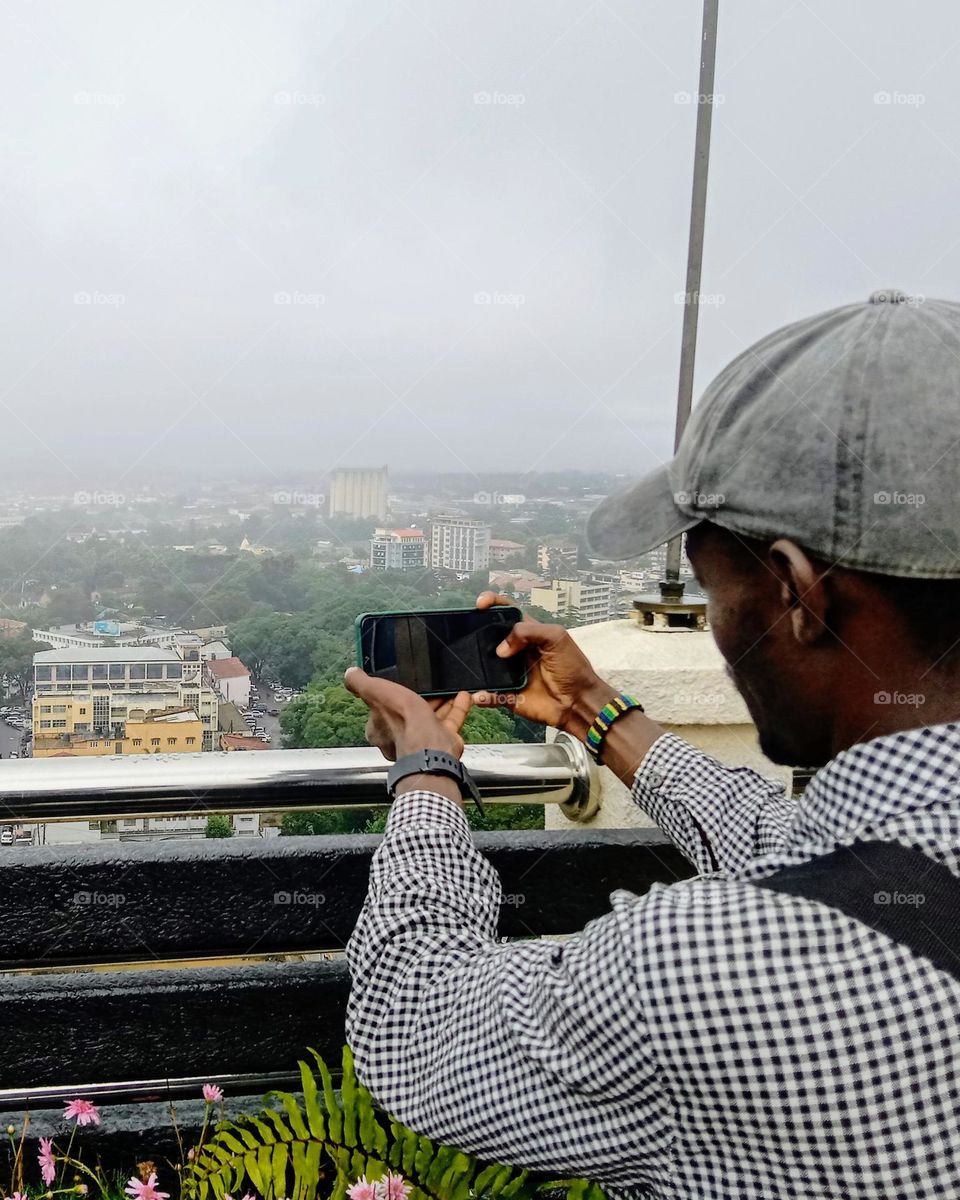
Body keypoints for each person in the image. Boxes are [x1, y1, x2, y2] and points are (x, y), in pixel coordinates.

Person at [344, 291, 960, 1198]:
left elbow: (413, 1028)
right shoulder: (897, 868)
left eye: (718, 592)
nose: (717, 625)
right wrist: (600, 715)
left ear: (796, 597)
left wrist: (427, 775)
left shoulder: (701, 971)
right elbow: (831, 861)